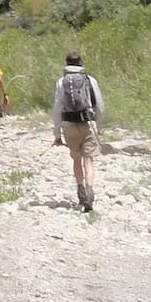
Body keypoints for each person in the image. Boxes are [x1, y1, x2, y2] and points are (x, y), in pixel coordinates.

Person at [52, 51, 104, 212]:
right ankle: (89, 191)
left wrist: (57, 134)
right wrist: (98, 126)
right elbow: (100, 105)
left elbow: (57, 109)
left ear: (66, 63)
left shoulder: (61, 82)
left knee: (76, 160)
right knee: (88, 160)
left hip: (69, 126)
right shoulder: (90, 80)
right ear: (81, 62)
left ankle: (80, 191)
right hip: (87, 124)